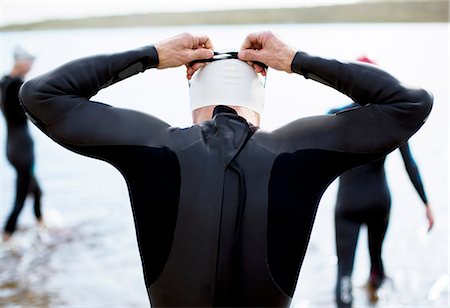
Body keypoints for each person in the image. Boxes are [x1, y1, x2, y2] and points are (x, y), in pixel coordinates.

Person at [18, 32, 432, 307]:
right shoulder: (298, 153)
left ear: (192, 89)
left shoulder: (153, 148)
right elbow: (409, 103)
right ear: (260, 95)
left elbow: (42, 94)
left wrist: (152, 56)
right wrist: (296, 61)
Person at [330, 57, 434, 307]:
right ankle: (374, 296)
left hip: (348, 204)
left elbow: (311, 161)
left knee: (344, 273)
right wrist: (426, 203)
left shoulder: (336, 116)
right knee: (376, 263)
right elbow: (410, 164)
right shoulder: (392, 119)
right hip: (379, 201)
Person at [1, 46, 43, 241]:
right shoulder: (17, 85)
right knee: (20, 198)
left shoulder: (4, 82)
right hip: (23, 148)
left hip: (11, 146)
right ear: (20, 62)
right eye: (29, 62)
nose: (31, 66)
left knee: (37, 191)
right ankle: (7, 235)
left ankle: (41, 225)